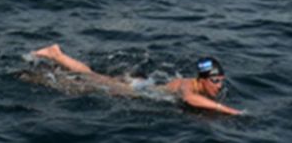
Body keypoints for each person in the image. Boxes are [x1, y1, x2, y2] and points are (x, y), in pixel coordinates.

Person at [31, 44, 243, 115]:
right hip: (136, 91)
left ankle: (56, 59)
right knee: (88, 81)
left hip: (142, 86)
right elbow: (189, 98)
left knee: (92, 77)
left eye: (221, 80)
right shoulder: (189, 85)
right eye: (215, 81)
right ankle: (55, 57)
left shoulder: (194, 83)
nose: (219, 85)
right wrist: (227, 110)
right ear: (203, 79)